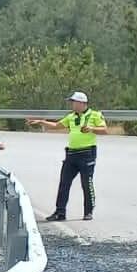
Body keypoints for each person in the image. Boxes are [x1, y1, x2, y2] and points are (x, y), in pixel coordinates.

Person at [29, 91, 110, 222]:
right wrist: (41, 122)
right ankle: (60, 212)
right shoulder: (71, 116)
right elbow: (56, 126)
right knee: (64, 183)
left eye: (74, 102)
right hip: (71, 154)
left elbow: (105, 130)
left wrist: (91, 128)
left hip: (87, 153)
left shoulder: (95, 115)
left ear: (82, 103)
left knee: (86, 183)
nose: (72, 104)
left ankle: (88, 211)